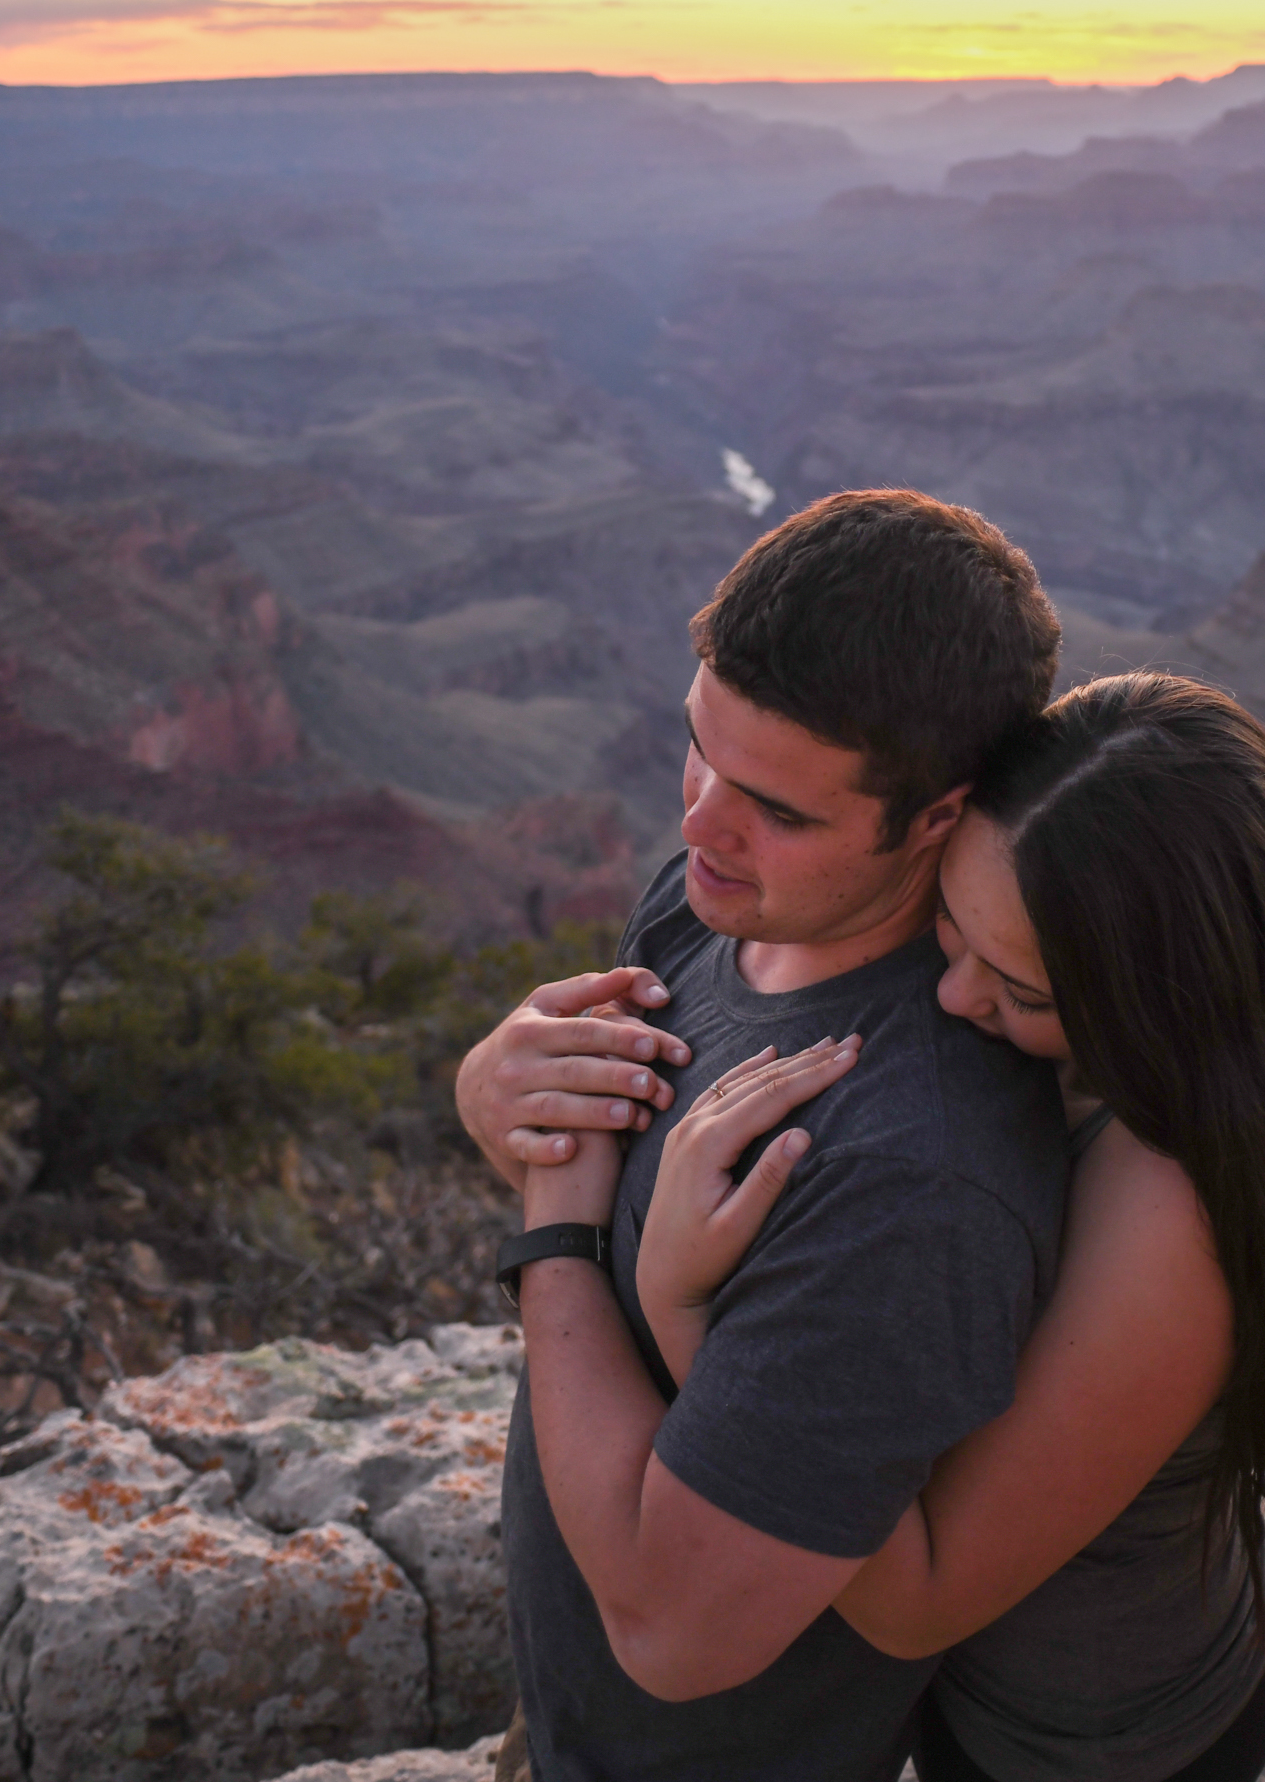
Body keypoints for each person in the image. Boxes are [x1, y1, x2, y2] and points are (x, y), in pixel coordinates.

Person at [620, 672, 1265, 1782]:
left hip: (1091, 1739)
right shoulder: (1098, 1045)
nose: (953, 998)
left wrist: (682, 1305)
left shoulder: (1171, 1213)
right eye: (952, 923)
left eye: (1022, 991)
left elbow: (919, 1601)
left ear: (1161, 993)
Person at [457, 489, 1074, 1781]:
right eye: (700, 748)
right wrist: (497, 1095)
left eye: (779, 810)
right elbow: (601, 1161)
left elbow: (671, 1629)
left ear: (938, 816)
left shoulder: (911, 1174)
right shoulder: (718, 904)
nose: (698, 822)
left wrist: (552, 1227)